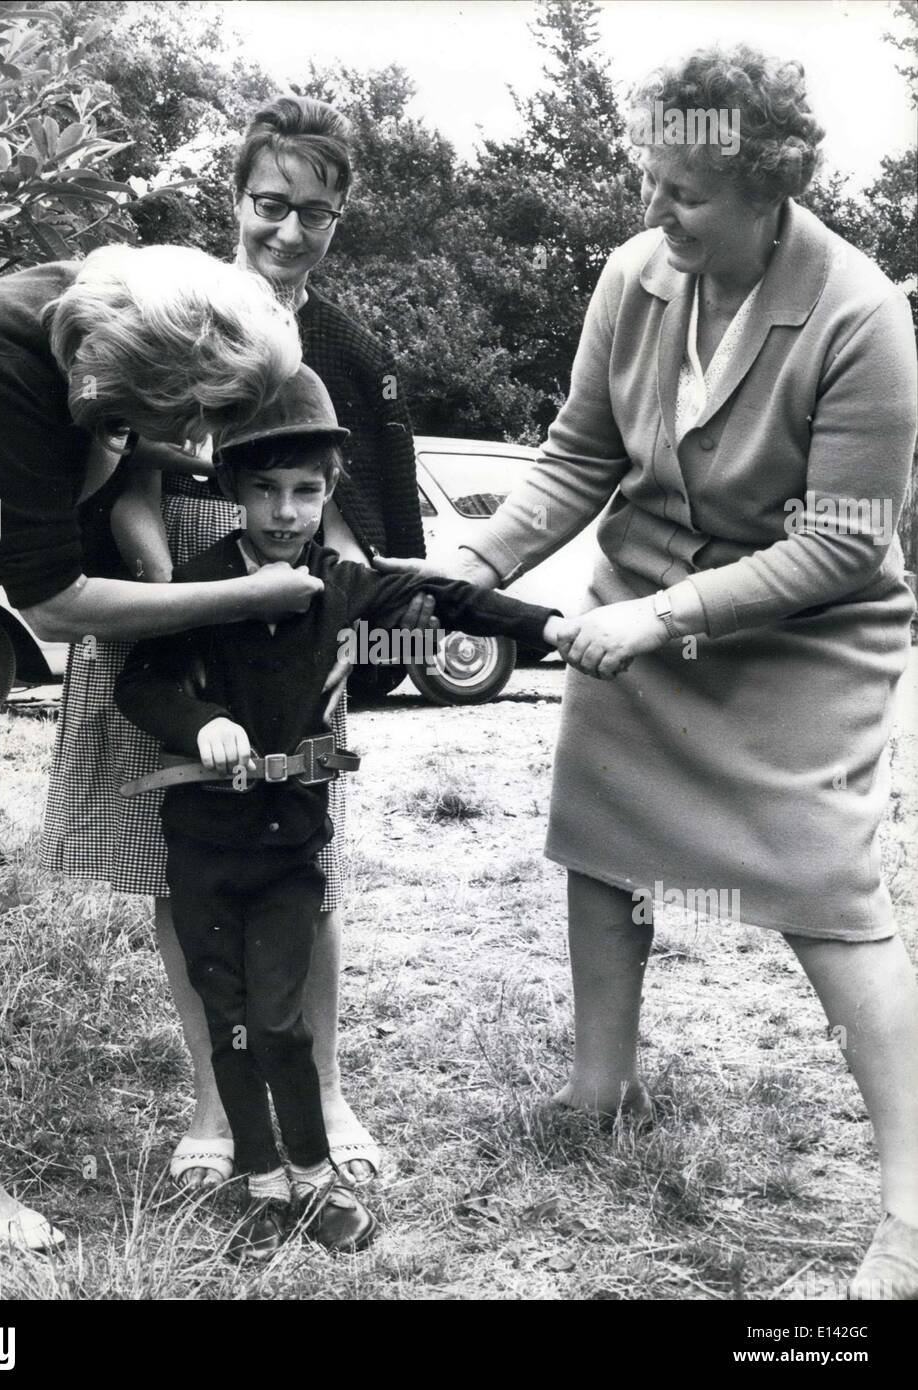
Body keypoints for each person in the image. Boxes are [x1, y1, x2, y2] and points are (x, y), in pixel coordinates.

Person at [379, 46, 918, 1299]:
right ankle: (597, 1090)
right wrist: (473, 555)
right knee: (605, 839)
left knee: (823, 893)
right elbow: (578, 455)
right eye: (647, 179)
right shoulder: (635, 275)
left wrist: (669, 615)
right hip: (642, 598)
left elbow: (844, 542)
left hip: (800, 633)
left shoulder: (858, 316)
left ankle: (907, 1205)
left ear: (763, 187)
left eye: (680, 191)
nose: (649, 210)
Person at [0, 244, 312, 1249]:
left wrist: (156, 452)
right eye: (188, 413)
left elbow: (102, 447)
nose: (200, 440)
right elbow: (58, 602)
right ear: (127, 373)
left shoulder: (100, 323)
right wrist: (252, 595)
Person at [41, 95, 427, 1189]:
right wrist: (176, 597)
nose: (291, 231)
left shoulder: (346, 345)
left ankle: (328, 1088)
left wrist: (338, 613)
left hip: (289, 622)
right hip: (175, 603)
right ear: (236, 199)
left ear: (339, 218)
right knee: (191, 859)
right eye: (271, 204)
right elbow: (124, 479)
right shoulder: (178, 309)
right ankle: (216, 1100)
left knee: (299, 858)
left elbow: (353, 510)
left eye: (317, 213)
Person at [114, 366, 564, 1260]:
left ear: (327, 495)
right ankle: (259, 1179)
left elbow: (448, 596)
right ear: (235, 491)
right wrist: (202, 724)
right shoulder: (198, 587)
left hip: (291, 846)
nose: (286, 512)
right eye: (268, 491)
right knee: (227, 1015)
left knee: (281, 1019)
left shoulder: (343, 585)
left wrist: (544, 627)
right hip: (202, 845)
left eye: (306, 493)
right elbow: (141, 683)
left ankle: (314, 1176)